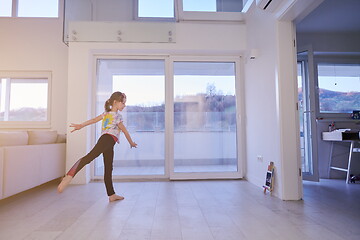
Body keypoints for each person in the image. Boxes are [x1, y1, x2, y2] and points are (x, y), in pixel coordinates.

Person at [57, 91, 137, 202]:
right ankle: (69, 176)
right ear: (115, 102)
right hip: (107, 140)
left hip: (108, 142)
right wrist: (131, 142)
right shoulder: (117, 116)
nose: (124, 105)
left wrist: (81, 125)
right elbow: (125, 131)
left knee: (108, 168)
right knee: (89, 157)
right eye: (123, 103)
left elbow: (94, 120)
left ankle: (111, 195)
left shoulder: (106, 113)